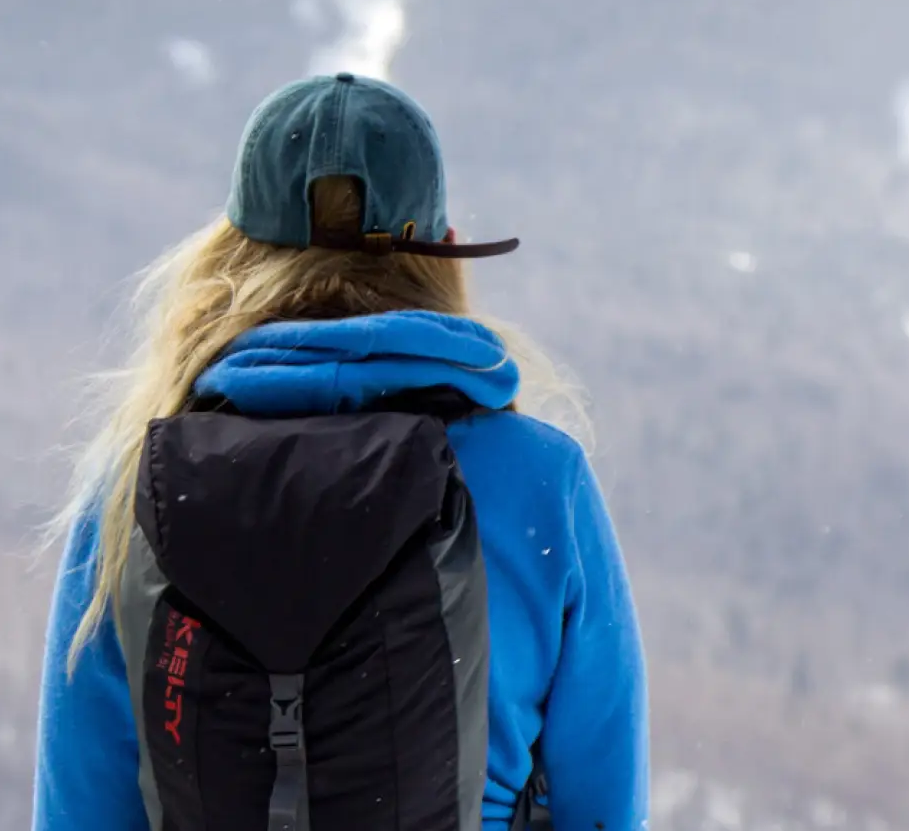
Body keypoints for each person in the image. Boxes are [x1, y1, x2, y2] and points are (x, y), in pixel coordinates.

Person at [32, 71, 648, 831]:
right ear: (445, 252)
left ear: (230, 255)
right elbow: (604, 810)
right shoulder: (538, 482)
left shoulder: (135, 485)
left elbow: (80, 811)